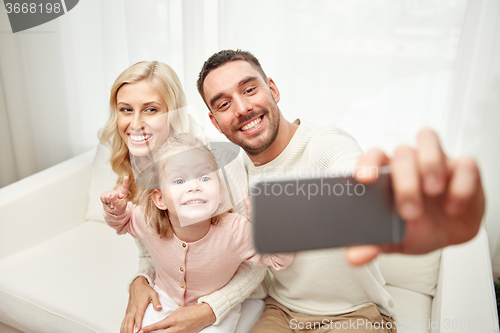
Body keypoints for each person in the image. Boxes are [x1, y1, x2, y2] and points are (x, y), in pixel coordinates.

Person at [130, 50, 485, 333]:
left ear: (273, 89)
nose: (242, 108)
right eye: (223, 104)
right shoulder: (227, 175)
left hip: (355, 316)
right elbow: (196, 240)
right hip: (280, 313)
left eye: (250, 89)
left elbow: (353, 175)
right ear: (214, 122)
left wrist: (392, 195)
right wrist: (145, 280)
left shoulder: (324, 144)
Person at [101, 60, 269, 333]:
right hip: (174, 294)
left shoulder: (212, 164)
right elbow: (152, 244)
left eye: (151, 109)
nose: (135, 123)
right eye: (126, 110)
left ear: (172, 112)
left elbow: (253, 255)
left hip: (234, 296)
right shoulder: (134, 165)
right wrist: (141, 280)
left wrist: (209, 309)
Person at [101, 133, 293, 333]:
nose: (194, 186)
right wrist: (115, 209)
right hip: (164, 299)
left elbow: (280, 260)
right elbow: (123, 221)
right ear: (160, 200)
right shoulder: (148, 221)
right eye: (178, 180)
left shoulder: (235, 230)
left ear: (219, 193)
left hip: (213, 309)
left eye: (203, 177)